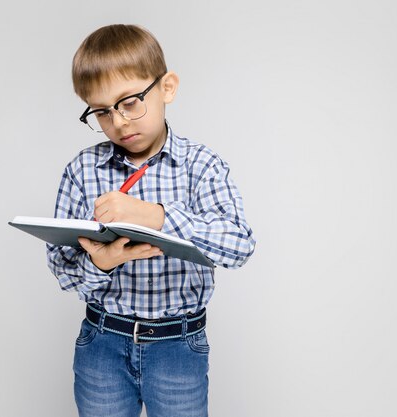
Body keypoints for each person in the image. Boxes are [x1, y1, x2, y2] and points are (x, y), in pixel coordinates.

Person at [46, 24, 255, 417]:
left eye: (129, 102)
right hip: (102, 343)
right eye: (102, 112)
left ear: (167, 88)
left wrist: (156, 216)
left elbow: (239, 244)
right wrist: (99, 263)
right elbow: (61, 266)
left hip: (178, 346)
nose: (120, 122)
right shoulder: (82, 171)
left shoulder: (201, 166)